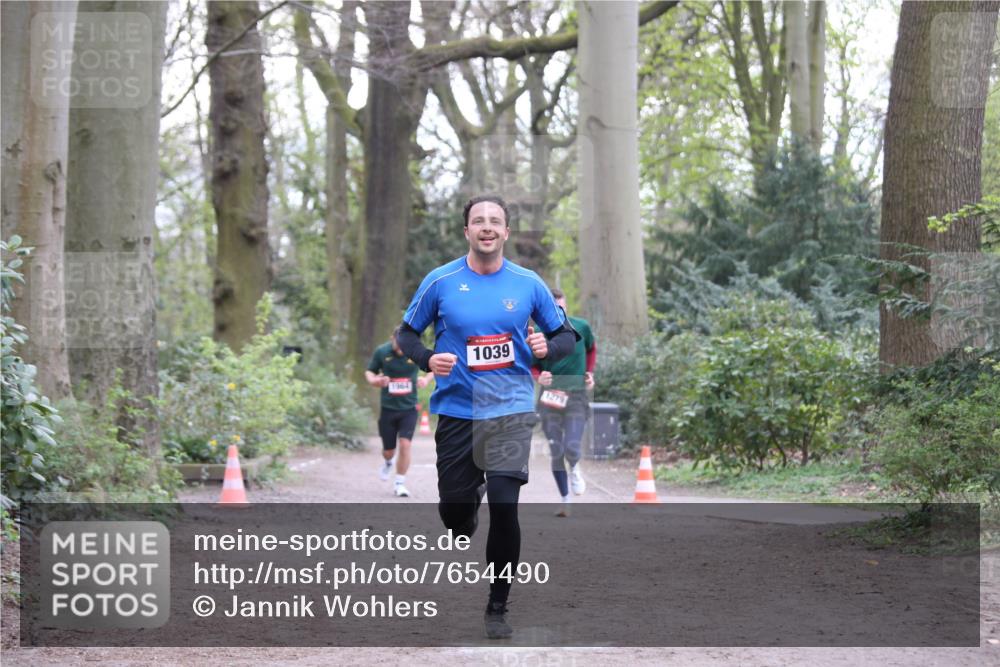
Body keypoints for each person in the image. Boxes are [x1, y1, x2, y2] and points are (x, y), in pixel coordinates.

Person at [396, 194, 578, 639]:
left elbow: (566, 336)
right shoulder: (441, 281)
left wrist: (546, 349)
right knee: (455, 515)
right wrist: (427, 359)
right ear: (467, 232)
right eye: (478, 220)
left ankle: (498, 604)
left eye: (495, 220)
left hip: (510, 403)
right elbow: (406, 333)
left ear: (506, 232)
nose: (487, 227)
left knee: (505, 503)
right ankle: (465, 506)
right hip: (456, 407)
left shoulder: (527, 282)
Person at [532, 288, 596, 517]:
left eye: (561, 307)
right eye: (553, 308)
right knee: (556, 449)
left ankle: (575, 467)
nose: (558, 312)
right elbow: (529, 364)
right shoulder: (538, 333)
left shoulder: (581, 327)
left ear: (566, 306)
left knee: (571, 444)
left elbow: (591, 350)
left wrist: (589, 373)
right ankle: (565, 498)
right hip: (550, 398)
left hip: (576, 395)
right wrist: (538, 376)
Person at [365, 327, 433, 498]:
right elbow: (369, 372)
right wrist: (376, 381)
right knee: (389, 451)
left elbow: (433, 366)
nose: (402, 346)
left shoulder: (415, 352)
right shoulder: (382, 352)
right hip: (388, 408)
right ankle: (388, 462)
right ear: (392, 338)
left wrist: (425, 379)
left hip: (409, 408)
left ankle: (400, 483)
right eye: (399, 342)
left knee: (405, 444)